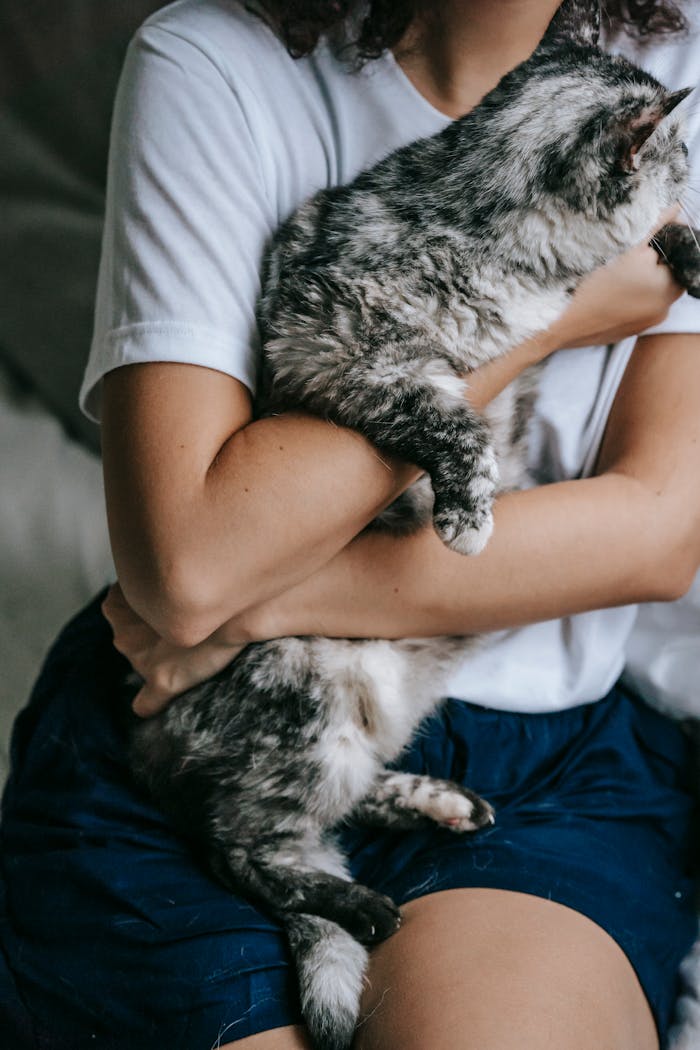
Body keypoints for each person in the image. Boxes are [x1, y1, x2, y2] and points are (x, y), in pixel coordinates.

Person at [2, 1, 700, 1048]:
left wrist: (261, 598)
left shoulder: (673, 70)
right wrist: (565, 310)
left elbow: (655, 534)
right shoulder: (211, 59)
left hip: (535, 761)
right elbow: (191, 564)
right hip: (199, 735)